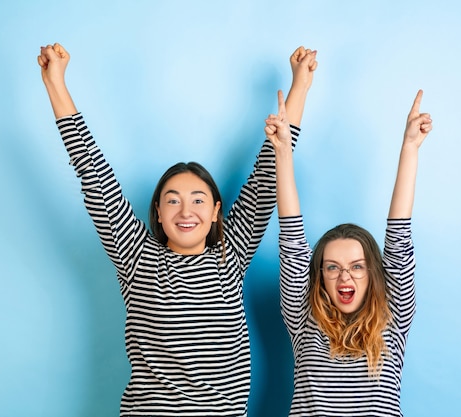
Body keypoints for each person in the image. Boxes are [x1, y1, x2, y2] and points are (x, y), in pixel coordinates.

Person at [37, 43, 317, 416]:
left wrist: (299, 87)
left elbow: (270, 172)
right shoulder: (136, 254)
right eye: (173, 200)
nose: (186, 211)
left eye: (198, 200)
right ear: (157, 211)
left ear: (218, 211)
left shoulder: (230, 254)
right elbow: (93, 171)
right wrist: (55, 82)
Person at [265, 89, 432, 416]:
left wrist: (410, 147)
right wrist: (283, 153)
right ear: (320, 276)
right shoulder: (303, 319)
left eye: (357, 266)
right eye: (332, 268)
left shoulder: (393, 318)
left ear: (373, 274)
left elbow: (399, 238)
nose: (344, 276)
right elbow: (292, 240)